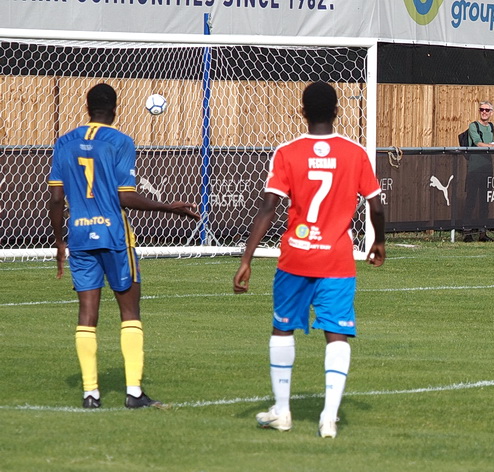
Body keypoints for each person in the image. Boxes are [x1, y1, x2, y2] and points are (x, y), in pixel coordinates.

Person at [233, 82, 386, 439]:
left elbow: (268, 209)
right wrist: (379, 242)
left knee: (282, 329)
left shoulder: (287, 152)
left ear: (302, 111)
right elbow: (376, 205)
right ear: (337, 111)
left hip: (295, 258)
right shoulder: (354, 152)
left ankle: (283, 412)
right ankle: (329, 418)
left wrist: (247, 258)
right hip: (336, 259)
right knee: (337, 334)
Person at [48, 83, 200, 409]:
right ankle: (133, 393)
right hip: (115, 238)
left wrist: (60, 241)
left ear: (87, 108)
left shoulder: (64, 142)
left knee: (87, 313)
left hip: (79, 236)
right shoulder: (120, 141)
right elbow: (124, 196)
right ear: (114, 110)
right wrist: (168, 207)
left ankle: (91, 394)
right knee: (129, 312)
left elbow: (57, 198)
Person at [463, 101, 494, 242]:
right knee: (470, 200)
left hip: (487, 168)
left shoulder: (491, 127)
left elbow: (491, 142)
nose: (484, 112)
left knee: (484, 201)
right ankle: (466, 233)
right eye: (482, 109)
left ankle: (483, 233)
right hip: (474, 169)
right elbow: (478, 143)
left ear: (491, 112)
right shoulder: (473, 125)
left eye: (487, 110)